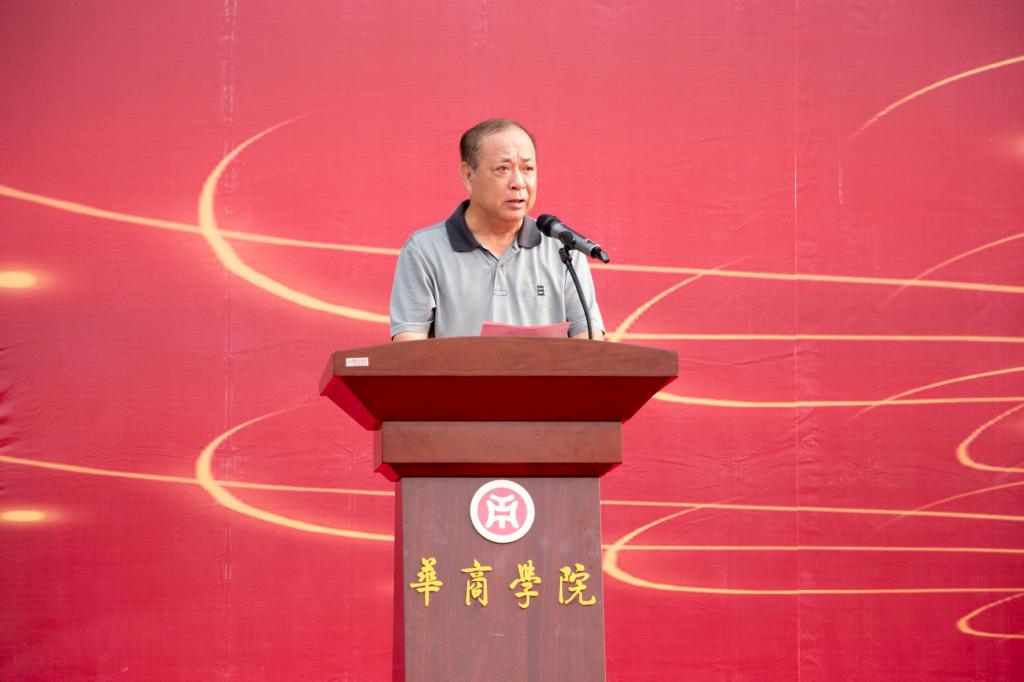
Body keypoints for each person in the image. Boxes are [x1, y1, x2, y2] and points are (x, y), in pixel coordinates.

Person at [389, 118, 605, 341]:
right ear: (468, 175)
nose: (519, 183)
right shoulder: (424, 250)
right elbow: (409, 345)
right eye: (503, 169)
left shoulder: (562, 249)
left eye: (528, 169)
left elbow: (588, 336)